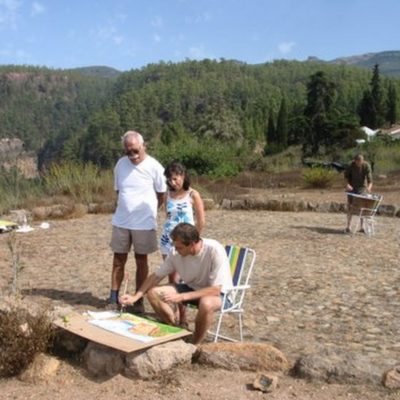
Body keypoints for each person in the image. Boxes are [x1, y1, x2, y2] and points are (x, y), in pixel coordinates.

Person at [119, 223, 233, 344]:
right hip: (192, 288)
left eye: (179, 247)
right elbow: (156, 276)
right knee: (153, 292)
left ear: (192, 244)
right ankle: (176, 329)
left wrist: (182, 296)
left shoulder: (214, 250)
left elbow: (216, 289)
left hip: (220, 295)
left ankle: (195, 344)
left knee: (206, 303)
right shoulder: (175, 253)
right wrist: (135, 297)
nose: (175, 249)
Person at [108, 130, 166, 313]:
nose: (132, 155)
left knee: (142, 261)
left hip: (144, 223)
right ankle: (113, 297)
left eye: (135, 150)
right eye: (128, 151)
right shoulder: (120, 165)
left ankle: (138, 300)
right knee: (118, 260)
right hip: (122, 221)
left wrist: (151, 212)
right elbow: (119, 191)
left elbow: (161, 193)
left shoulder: (155, 166)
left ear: (143, 146)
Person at [160, 161, 205, 326]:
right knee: (172, 276)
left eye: (175, 178)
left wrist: (194, 239)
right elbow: (167, 216)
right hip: (168, 240)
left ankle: (183, 315)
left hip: (186, 242)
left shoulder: (193, 195)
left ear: (183, 176)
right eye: (170, 179)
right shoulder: (167, 194)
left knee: (183, 277)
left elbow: (201, 221)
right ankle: (175, 311)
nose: (173, 182)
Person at [344, 154, 373, 233]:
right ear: (355, 161)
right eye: (357, 162)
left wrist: (369, 188)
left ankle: (362, 227)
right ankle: (348, 226)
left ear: (363, 161)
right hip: (352, 187)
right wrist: (347, 185)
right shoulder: (350, 166)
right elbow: (346, 178)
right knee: (350, 206)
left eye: (361, 162)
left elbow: (370, 180)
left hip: (362, 188)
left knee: (362, 206)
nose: (359, 163)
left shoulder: (366, 166)